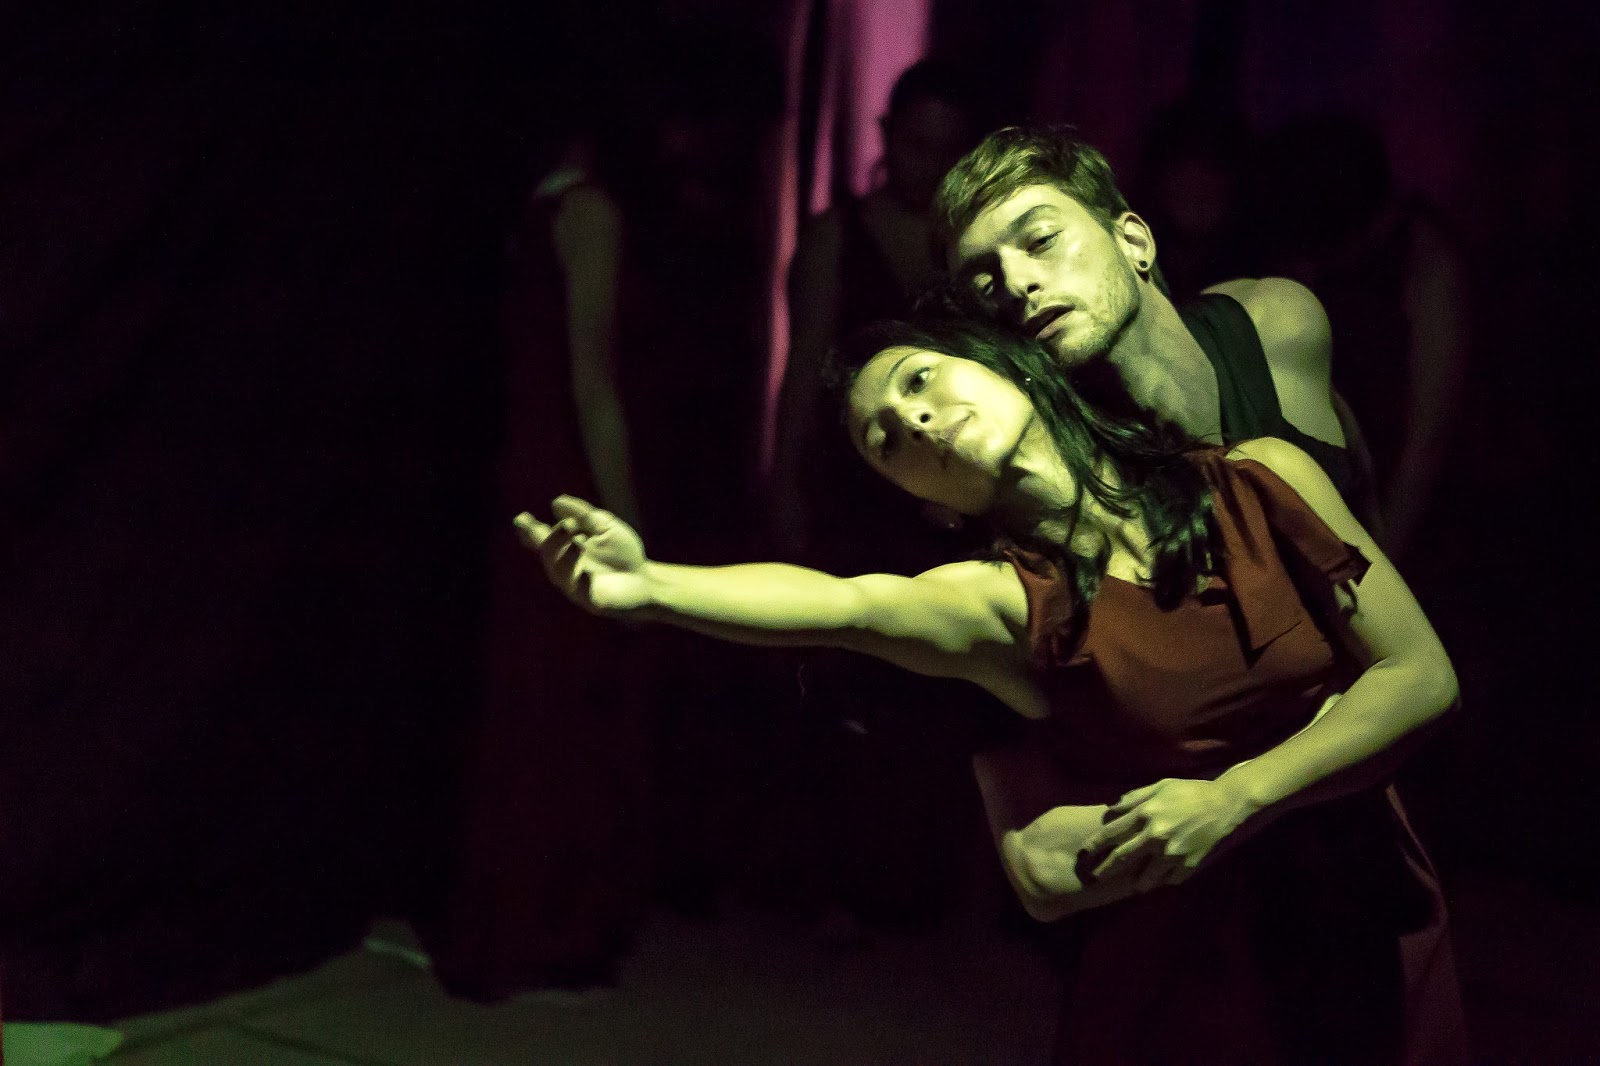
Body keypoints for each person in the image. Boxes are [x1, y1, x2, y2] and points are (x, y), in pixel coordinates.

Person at [517, 317, 1465, 1063]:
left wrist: (1233, 798)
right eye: (887, 439)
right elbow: (846, 606)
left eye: (919, 379)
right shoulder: (1003, 604)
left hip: (1373, 909)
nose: (916, 420)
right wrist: (654, 588)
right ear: (930, 506)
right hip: (1196, 978)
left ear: (1005, 366)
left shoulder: (1260, 480)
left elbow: (1422, 676)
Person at [932, 123, 1383, 530]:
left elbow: (1361, 501)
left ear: (1134, 242)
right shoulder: (1055, 459)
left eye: (1041, 240)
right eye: (985, 284)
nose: (1015, 283)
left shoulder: (1271, 323)